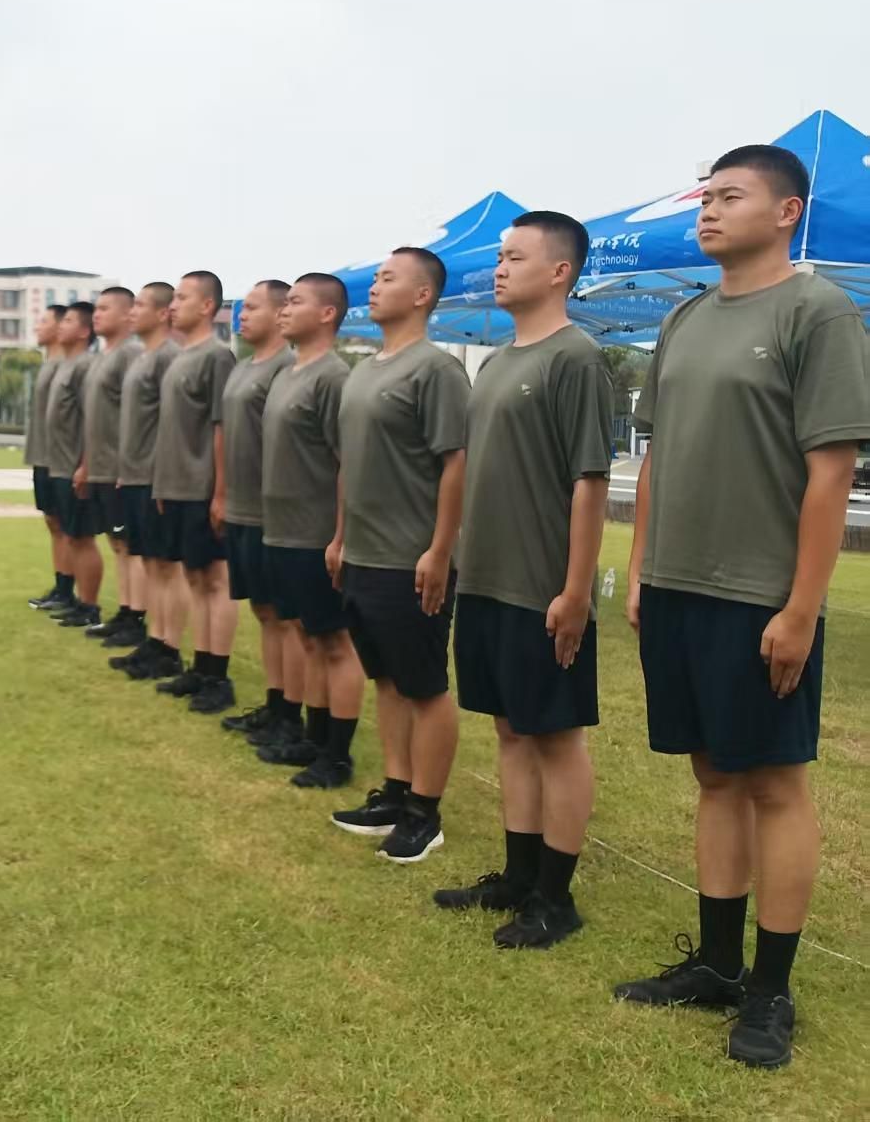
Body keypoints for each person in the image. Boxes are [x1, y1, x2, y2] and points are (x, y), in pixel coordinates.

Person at [614, 145, 870, 1070]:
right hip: (676, 584)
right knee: (713, 775)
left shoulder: (818, 310)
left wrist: (801, 606)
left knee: (773, 783)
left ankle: (771, 990)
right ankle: (718, 964)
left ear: (788, 211)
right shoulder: (684, 317)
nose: (708, 211)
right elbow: (658, 454)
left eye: (730, 196)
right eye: (706, 197)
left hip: (759, 594)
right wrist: (640, 568)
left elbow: (830, 471)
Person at [435, 212, 612, 949]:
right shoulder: (497, 362)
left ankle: (555, 897)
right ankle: (517, 875)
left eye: (515, 257)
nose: (500, 268)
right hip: (487, 578)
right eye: (500, 256)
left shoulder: (577, 357)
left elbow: (589, 482)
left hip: (541, 586)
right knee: (510, 731)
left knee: (555, 738)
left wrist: (574, 591)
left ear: (560, 271)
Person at [325, 247, 470, 863]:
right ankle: (395, 789)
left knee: (425, 686)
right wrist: (339, 538)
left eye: (389, 278)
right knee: (385, 679)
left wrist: (440, 550)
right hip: (362, 554)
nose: (375, 286)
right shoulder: (362, 370)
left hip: (411, 558)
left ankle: (424, 813)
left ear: (422, 295)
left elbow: (456, 464)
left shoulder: (436, 370)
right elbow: (348, 463)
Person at [245, 274, 364, 790]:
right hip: (282, 532)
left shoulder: (333, 377)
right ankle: (313, 740)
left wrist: (340, 536)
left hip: (317, 535)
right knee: (308, 638)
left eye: (295, 302)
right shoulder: (289, 373)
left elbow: (348, 463)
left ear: (327, 314)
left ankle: (337, 754)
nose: (284, 310)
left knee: (335, 642)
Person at [149, 271, 239, 713]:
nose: (173, 305)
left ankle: (218, 675)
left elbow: (223, 428)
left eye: (182, 297)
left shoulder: (217, 357)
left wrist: (220, 492)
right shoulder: (181, 357)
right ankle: (200, 667)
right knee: (194, 577)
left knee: (215, 580)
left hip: (204, 487)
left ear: (206, 306)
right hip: (177, 487)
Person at [210, 280, 292, 730]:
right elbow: (223, 432)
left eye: (253, 308)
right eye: (242, 308)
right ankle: (274, 702)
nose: (242, 315)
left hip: (272, 512)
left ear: (280, 314)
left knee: (283, 614)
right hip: (240, 506)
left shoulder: (286, 367)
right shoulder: (242, 367)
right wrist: (221, 492)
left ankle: (289, 711)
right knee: (262, 610)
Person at [109, 283, 186, 680]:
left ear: (161, 313)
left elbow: (173, 423)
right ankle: (155, 639)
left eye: (140, 305)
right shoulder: (143, 357)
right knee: (151, 563)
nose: (132, 312)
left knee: (167, 566)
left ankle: (170, 646)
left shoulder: (169, 357)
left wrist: (161, 474)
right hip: (135, 474)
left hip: (157, 475)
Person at [77, 288, 146, 645]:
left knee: (131, 545)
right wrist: (87, 464)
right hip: (101, 466)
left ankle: (137, 617)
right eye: (96, 308)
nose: (97, 315)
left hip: (122, 469)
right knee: (117, 544)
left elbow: (135, 416)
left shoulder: (130, 354)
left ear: (126, 314)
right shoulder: (101, 358)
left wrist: (126, 465)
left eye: (105, 308)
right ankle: (124, 610)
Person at [43, 301, 104, 627]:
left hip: (74, 465)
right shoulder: (66, 365)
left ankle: (89, 606)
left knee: (82, 537)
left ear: (83, 331)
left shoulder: (85, 366)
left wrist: (85, 463)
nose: (60, 326)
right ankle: (75, 599)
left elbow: (91, 419)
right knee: (69, 534)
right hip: (58, 464)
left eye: (67, 321)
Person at [24, 305, 70, 610]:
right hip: (42, 457)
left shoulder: (65, 366)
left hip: (60, 460)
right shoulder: (47, 365)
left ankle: (70, 592)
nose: (37, 327)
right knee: (53, 523)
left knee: (67, 528)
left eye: (44, 321)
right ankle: (60, 586)